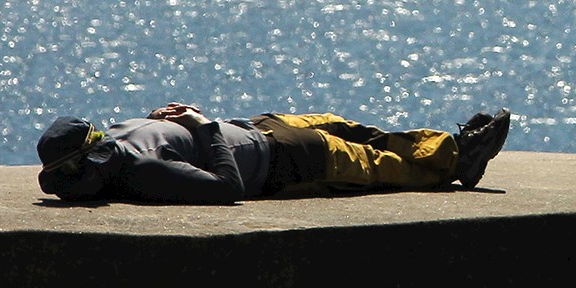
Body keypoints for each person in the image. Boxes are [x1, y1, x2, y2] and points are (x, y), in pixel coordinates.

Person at [35, 103, 511, 204]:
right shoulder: (140, 170)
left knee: (363, 133)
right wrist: (202, 125)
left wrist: (171, 117)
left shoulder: (117, 138)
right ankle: (457, 160)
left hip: (261, 128)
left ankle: (453, 147)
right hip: (285, 160)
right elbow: (227, 187)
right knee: (376, 165)